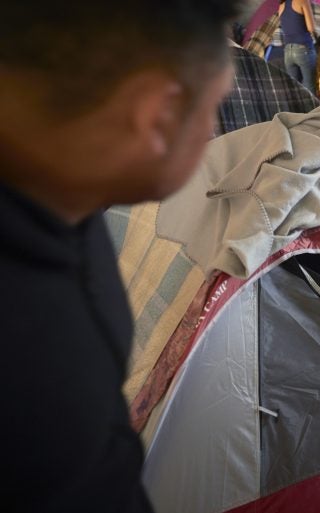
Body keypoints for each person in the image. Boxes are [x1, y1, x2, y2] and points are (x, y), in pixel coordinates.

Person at [0, 2, 242, 511]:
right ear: (158, 115)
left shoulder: (64, 196)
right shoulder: (41, 375)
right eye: (215, 108)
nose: (212, 134)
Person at [278, 0, 318, 95]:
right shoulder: (303, 1)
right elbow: (311, 28)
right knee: (309, 87)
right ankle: (312, 109)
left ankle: (296, 109)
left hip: (287, 51)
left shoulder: (281, 6)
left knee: (295, 89)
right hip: (303, 49)